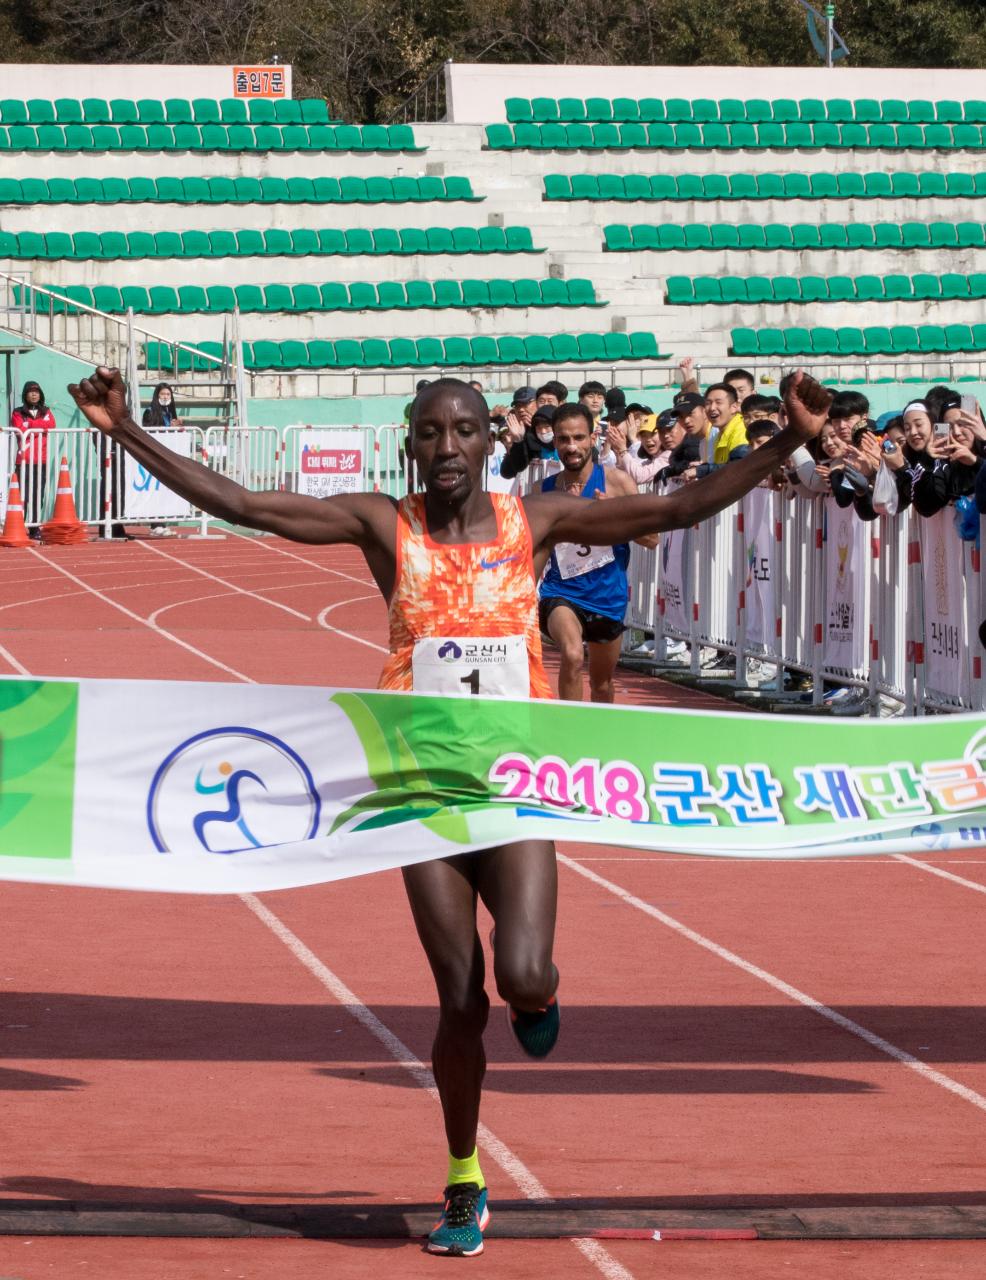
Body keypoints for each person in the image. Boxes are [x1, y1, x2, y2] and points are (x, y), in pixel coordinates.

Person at [68, 364, 831, 1259]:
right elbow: (245, 505)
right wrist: (124, 431)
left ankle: (539, 996)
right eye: (429, 433)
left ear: (491, 441)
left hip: (511, 786)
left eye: (464, 431)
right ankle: (464, 1178)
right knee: (460, 1001)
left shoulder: (531, 521)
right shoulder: (382, 525)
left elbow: (671, 513)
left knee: (525, 974)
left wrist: (791, 439)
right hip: (417, 790)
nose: (447, 448)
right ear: (409, 443)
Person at [538, 403, 656, 703]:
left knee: (601, 685)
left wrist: (610, 517)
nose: (572, 446)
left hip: (607, 596)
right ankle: (569, 738)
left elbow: (652, 539)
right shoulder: (545, 490)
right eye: (564, 439)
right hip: (561, 592)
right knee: (573, 655)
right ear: (555, 443)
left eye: (579, 438)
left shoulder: (617, 482)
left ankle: (597, 737)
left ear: (593, 438)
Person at [10, 380, 55, 537]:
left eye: (37, 391)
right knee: (22, 496)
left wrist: (30, 425)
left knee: (37, 495)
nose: (34, 394)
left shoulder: (46, 411)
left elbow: (52, 426)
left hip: (40, 461)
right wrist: (39, 425)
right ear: (25, 394)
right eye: (31, 391)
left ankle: (34, 528)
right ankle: (18, 527)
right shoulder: (17, 412)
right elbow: (19, 429)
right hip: (23, 461)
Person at [705, 383, 747, 463]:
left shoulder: (741, 432)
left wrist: (701, 470)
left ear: (734, 407)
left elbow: (736, 467)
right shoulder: (720, 433)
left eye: (718, 402)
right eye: (708, 403)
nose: (712, 408)